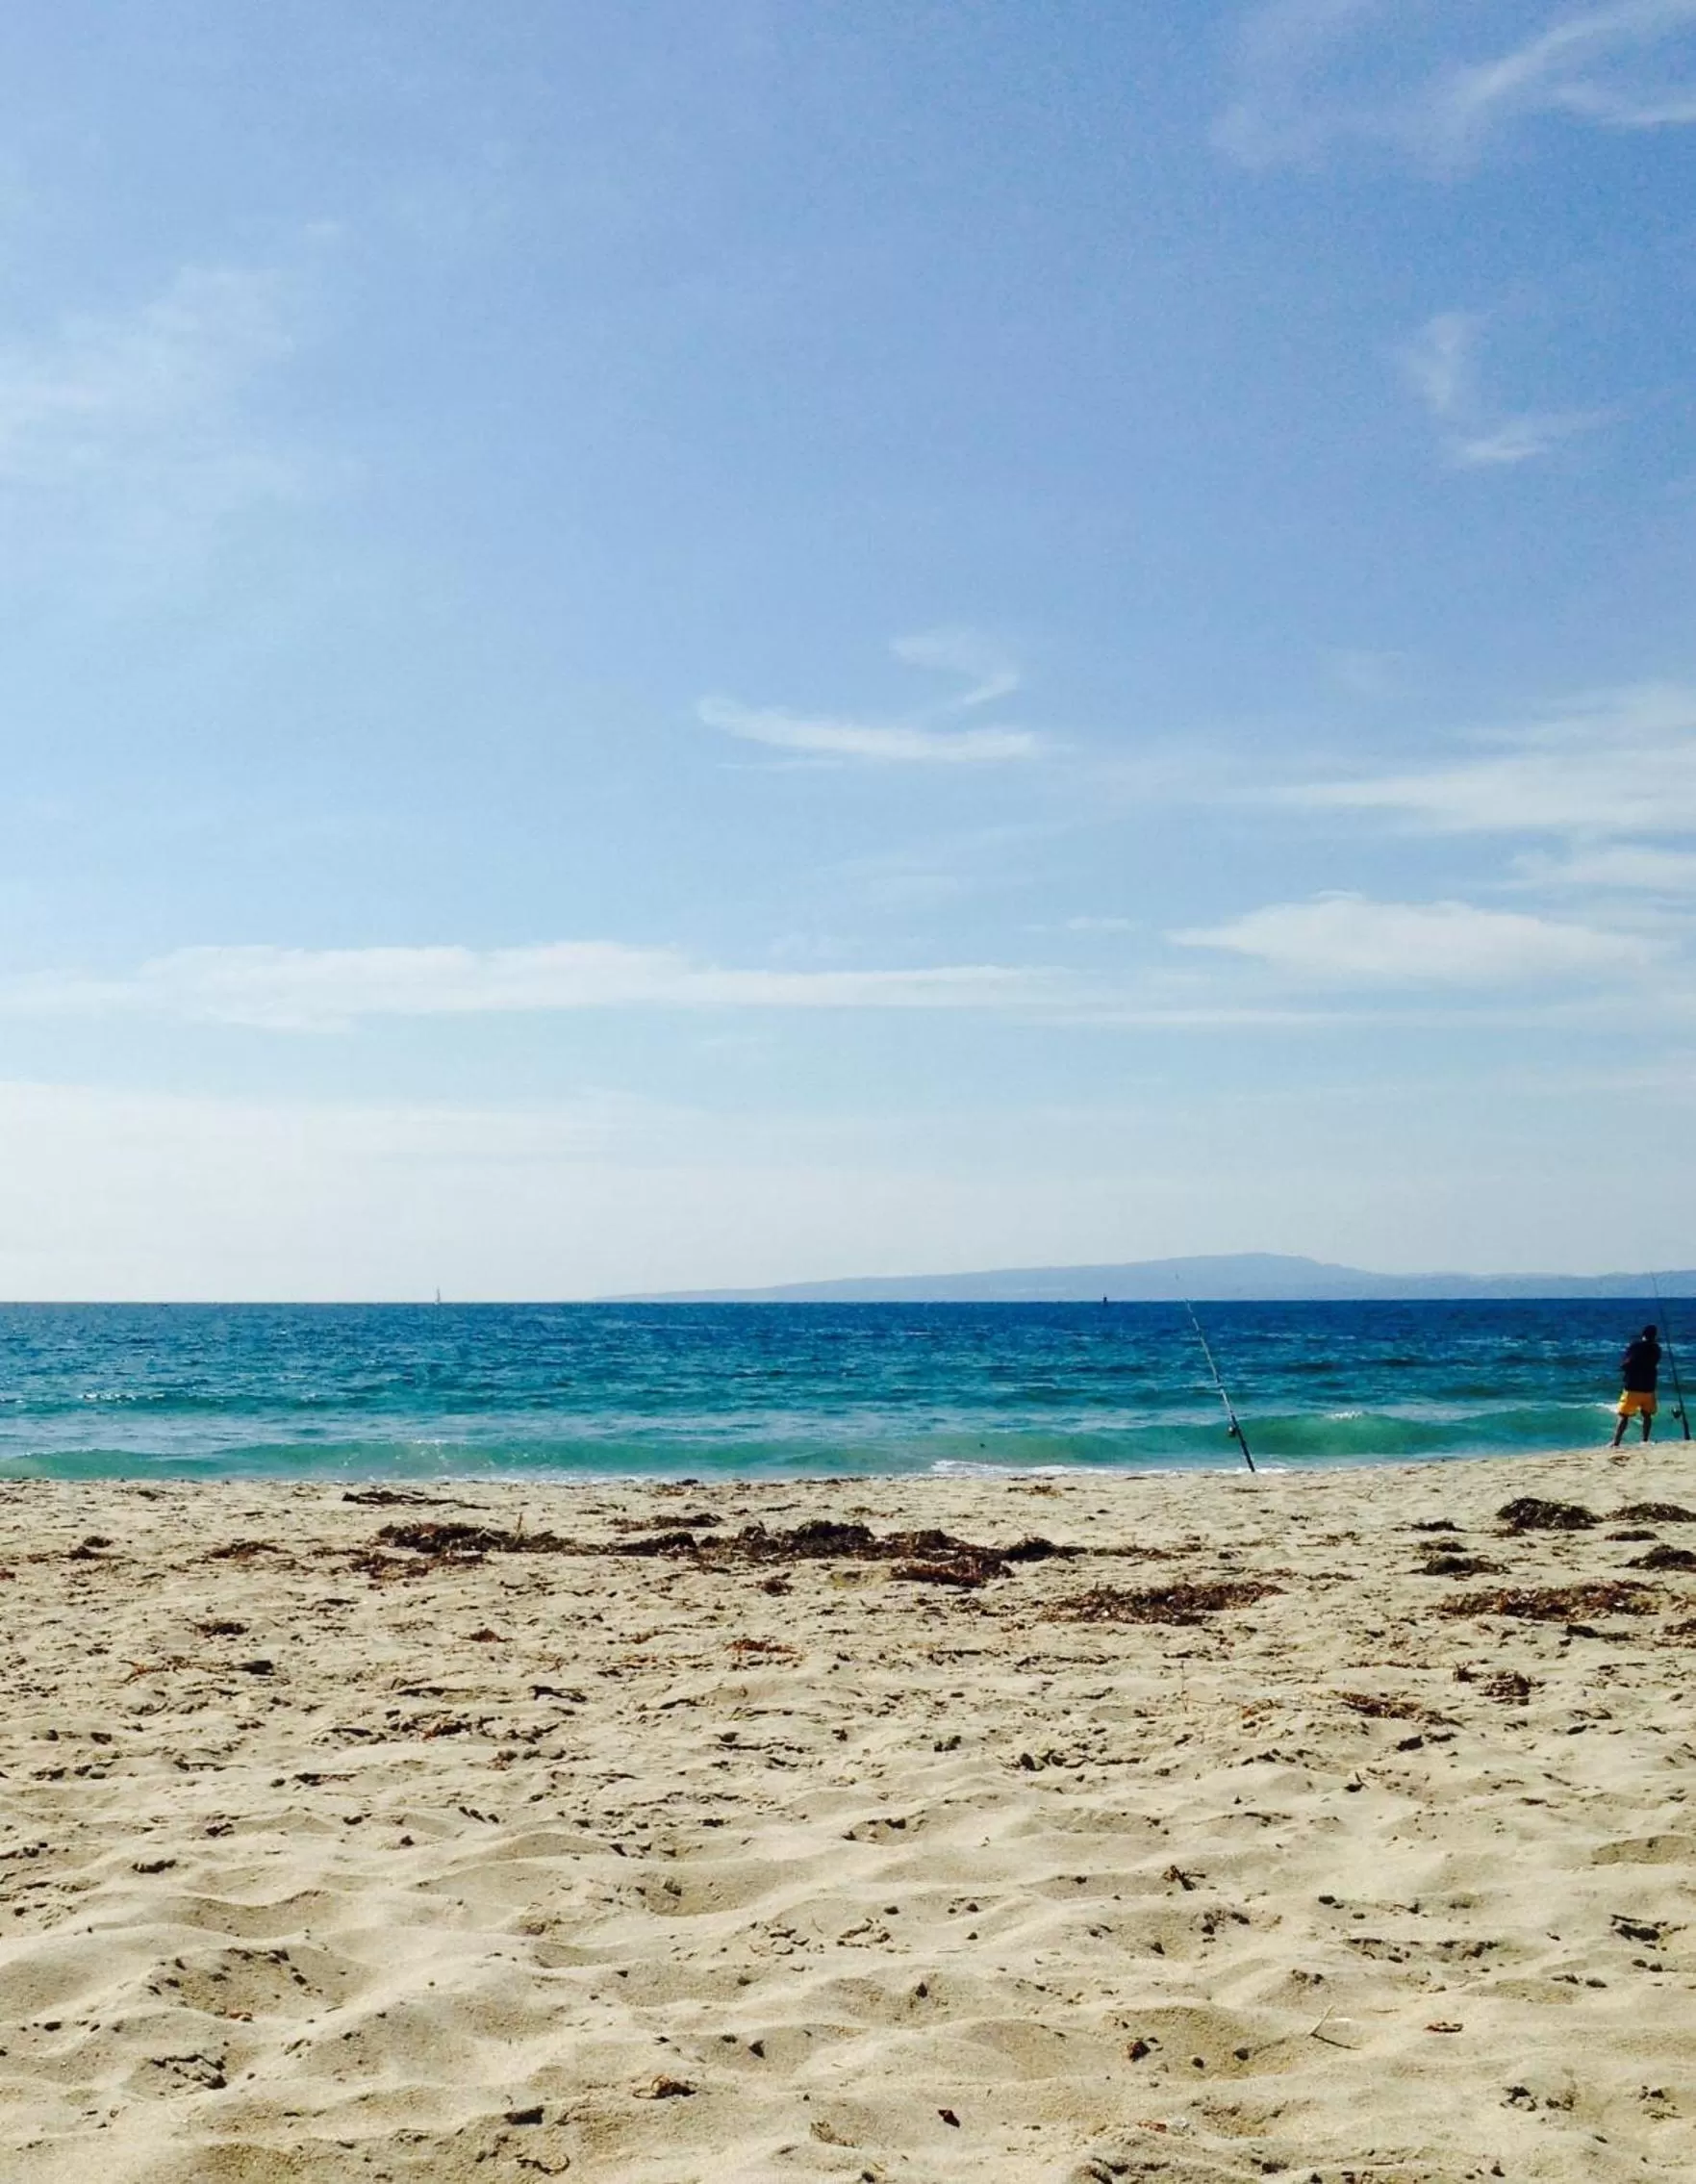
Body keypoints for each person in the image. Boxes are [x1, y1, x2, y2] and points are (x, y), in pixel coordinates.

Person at [1611, 1323, 1661, 1448]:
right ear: (1654, 1336)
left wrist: (1624, 1367)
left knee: (1623, 1415)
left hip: (1633, 1386)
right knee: (1647, 1415)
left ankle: (1616, 1442)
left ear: (1643, 1334)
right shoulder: (1656, 1349)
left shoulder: (1635, 1346)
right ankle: (1645, 1440)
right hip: (1649, 1387)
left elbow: (1627, 1362)